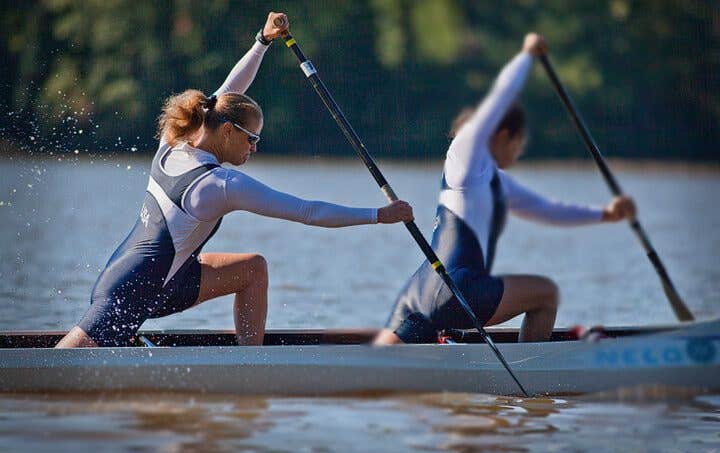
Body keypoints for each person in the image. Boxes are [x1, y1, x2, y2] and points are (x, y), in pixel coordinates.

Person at [56, 12, 413, 348]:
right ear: (227, 133)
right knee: (62, 368)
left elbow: (224, 95)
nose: (254, 148)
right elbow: (307, 211)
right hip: (132, 291)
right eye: (252, 139)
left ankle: (248, 367)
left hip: (167, 280)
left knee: (252, 270)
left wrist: (263, 41)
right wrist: (379, 215)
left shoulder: (174, 140)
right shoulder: (219, 185)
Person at [375, 33, 635, 345]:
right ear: (502, 134)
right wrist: (527, 56)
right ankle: (532, 373)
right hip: (460, 290)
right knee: (545, 294)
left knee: (383, 361)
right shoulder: (467, 152)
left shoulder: (494, 182)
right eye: (519, 143)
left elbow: (548, 209)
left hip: (423, 289)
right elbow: (502, 95)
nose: (519, 152)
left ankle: (345, 377)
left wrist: (605, 214)